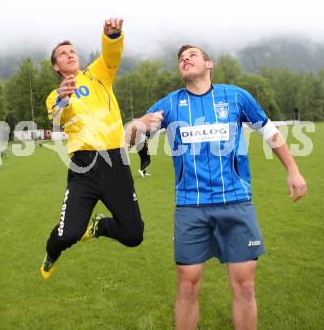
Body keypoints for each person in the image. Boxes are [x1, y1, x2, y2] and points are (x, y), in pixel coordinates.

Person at [127, 45, 307, 329]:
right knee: (187, 286)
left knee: (245, 285)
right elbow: (129, 138)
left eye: (192, 55)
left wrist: (293, 170)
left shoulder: (235, 96)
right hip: (190, 206)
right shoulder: (171, 104)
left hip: (236, 202)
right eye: (181, 59)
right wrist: (136, 124)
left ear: (208, 64)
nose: (185, 59)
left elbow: (270, 132)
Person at [40, 18, 144, 280]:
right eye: (63, 54)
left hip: (115, 162)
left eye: (72, 50)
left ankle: (98, 227)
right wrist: (64, 97)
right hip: (83, 166)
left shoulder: (98, 74)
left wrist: (113, 35)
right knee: (68, 234)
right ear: (56, 66)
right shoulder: (55, 95)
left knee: (134, 235)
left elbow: (111, 54)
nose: (70, 54)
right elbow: (57, 116)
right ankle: (51, 255)